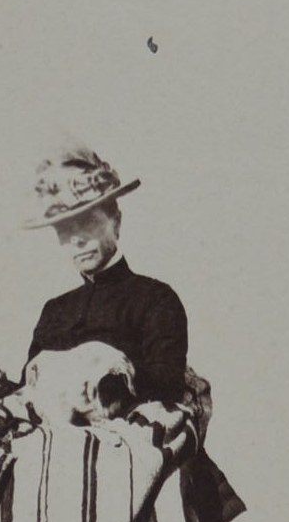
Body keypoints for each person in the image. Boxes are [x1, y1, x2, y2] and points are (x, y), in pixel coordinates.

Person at [21, 147, 190, 410]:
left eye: (87, 222)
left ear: (116, 222)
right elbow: (34, 390)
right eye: (64, 229)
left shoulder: (154, 299)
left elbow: (168, 386)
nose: (76, 239)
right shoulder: (54, 311)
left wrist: (115, 385)